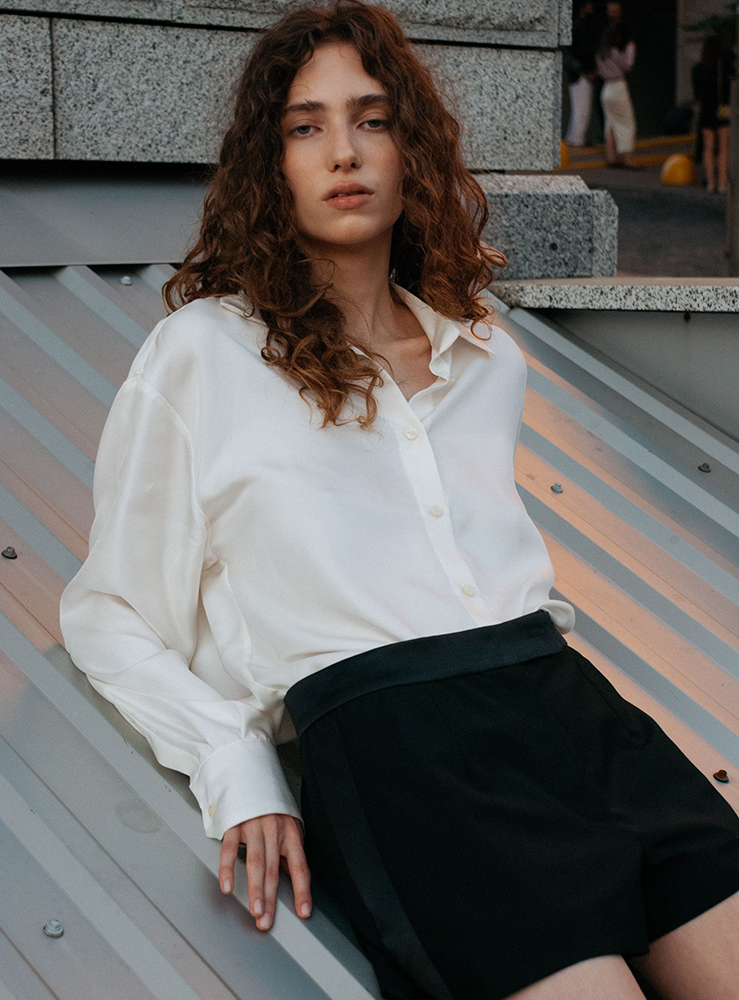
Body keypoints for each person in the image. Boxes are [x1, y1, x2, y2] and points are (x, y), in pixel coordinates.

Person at [58, 1, 739, 998]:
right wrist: (231, 758)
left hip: (574, 714)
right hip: (403, 757)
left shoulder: (485, 354)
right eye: (305, 127)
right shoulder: (203, 353)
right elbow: (109, 611)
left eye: (371, 119)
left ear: (409, 146)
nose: (343, 151)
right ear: (269, 165)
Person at [595, 0, 640, 169]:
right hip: (618, 86)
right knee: (627, 122)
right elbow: (627, 65)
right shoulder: (615, 51)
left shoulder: (600, 53)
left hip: (605, 89)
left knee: (610, 123)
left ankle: (611, 157)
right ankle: (628, 158)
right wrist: (631, 48)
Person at [692, 33, 734, 195]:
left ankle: (711, 183)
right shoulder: (724, 67)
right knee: (724, 148)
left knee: (708, 148)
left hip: (706, 110)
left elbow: (697, 94)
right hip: (722, 111)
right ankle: (722, 183)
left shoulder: (698, 69)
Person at [565, 1, 598, 148]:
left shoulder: (575, 24)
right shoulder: (581, 25)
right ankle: (577, 140)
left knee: (579, 108)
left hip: (576, 72)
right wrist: (589, 70)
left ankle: (573, 138)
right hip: (581, 72)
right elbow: (584, 51)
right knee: (582, 109)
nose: (591, 7)